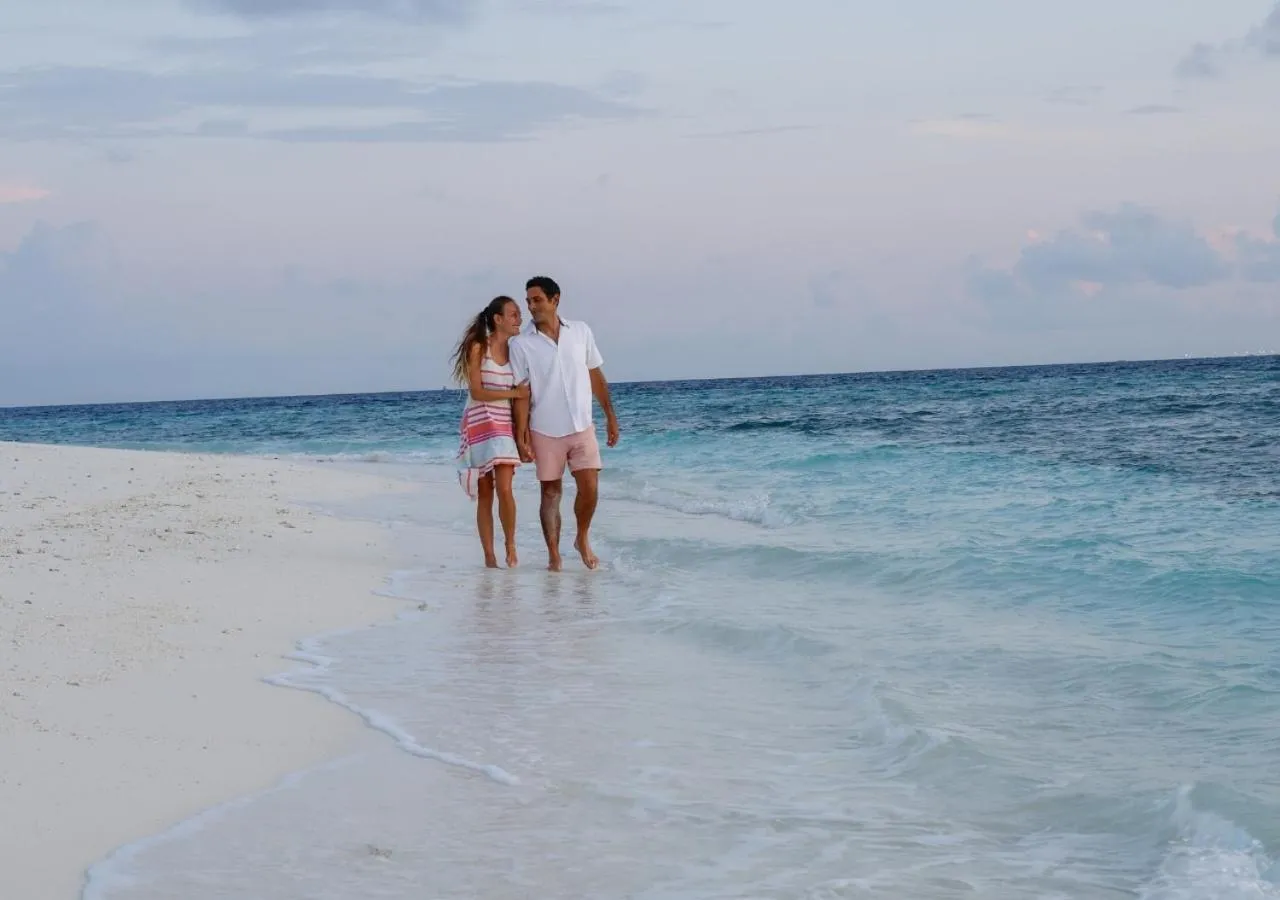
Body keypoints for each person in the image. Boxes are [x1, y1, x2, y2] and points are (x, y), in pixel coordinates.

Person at [509, 276, 619, 572]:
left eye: (537, 300)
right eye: (528, 301)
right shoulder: (520, 345)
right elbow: (522, 393)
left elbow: (595, 375)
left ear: (555, 299)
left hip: (582, 425)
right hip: (544, 428)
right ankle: (554, 555)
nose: (531, 306)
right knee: (550, 493)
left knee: (590, 488)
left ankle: (582, 537)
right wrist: (521, 435)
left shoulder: (581, 331)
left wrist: (610, 414)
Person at [451, 295, 529, 568]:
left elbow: (524, 395)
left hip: (504, 426)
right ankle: (489, 556)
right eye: (514, 314)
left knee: (505, 489)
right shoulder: (478, 348)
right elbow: (476, 391)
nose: (519, 318)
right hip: (480, 423)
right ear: (498, 319)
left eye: (519, 314)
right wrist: (513, 392)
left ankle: (510, 544)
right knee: (486, 492)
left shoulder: (517, 352)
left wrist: (523, 434)